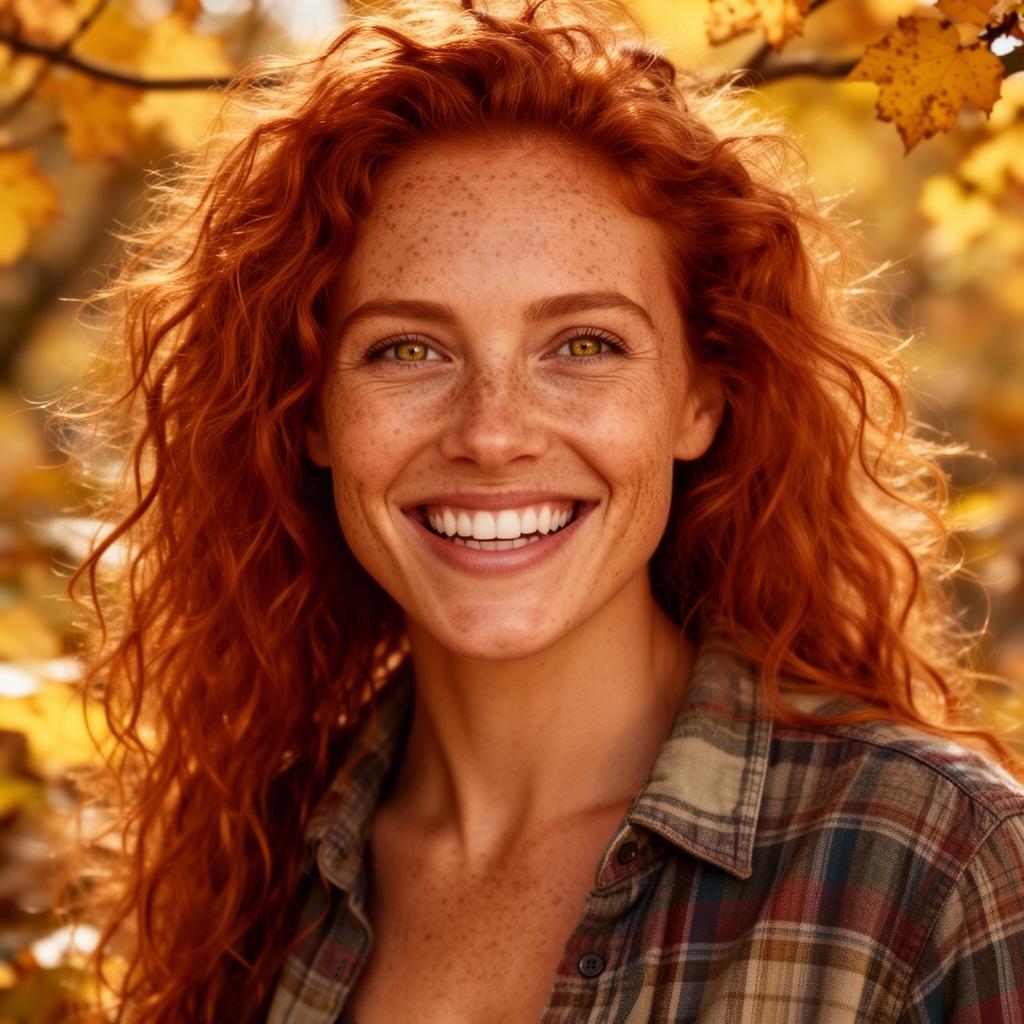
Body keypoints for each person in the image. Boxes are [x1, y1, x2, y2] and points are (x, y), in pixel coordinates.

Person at [58, 0, 1024, 1020]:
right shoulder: (259, 877)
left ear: (700, 395)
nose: (492, 432)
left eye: (583, 345)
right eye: (406, 349)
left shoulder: (939, 870)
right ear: (310, 416)